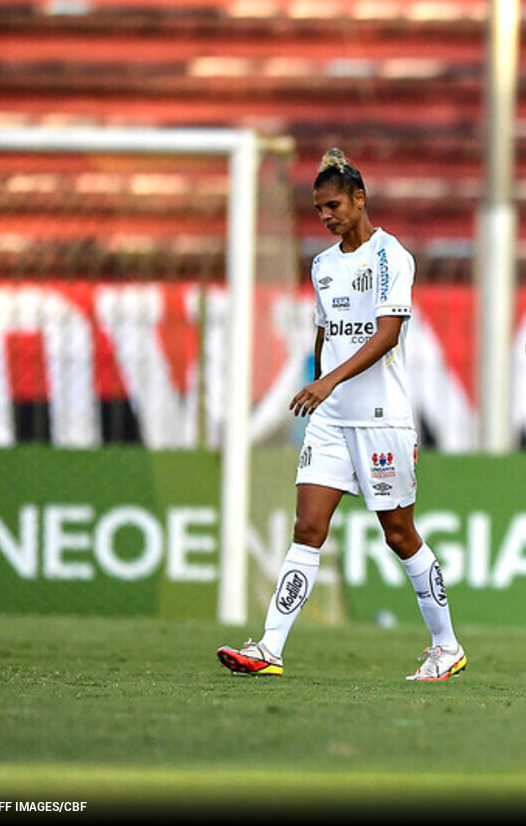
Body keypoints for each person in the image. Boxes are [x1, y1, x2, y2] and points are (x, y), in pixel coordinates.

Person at [217, 148, 465, 682]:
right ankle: (269, 648)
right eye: (318, 209)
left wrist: (329, 379)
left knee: (400, 533)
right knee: (307, 528)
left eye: (333, 205)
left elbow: (387, 334)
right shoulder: (322, 266)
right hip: (332, 420)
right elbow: (324, 332)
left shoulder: (390, 257)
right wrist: (319, 382)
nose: (326, 216)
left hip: (381, 418)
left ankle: (446, 646)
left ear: (359, 199)